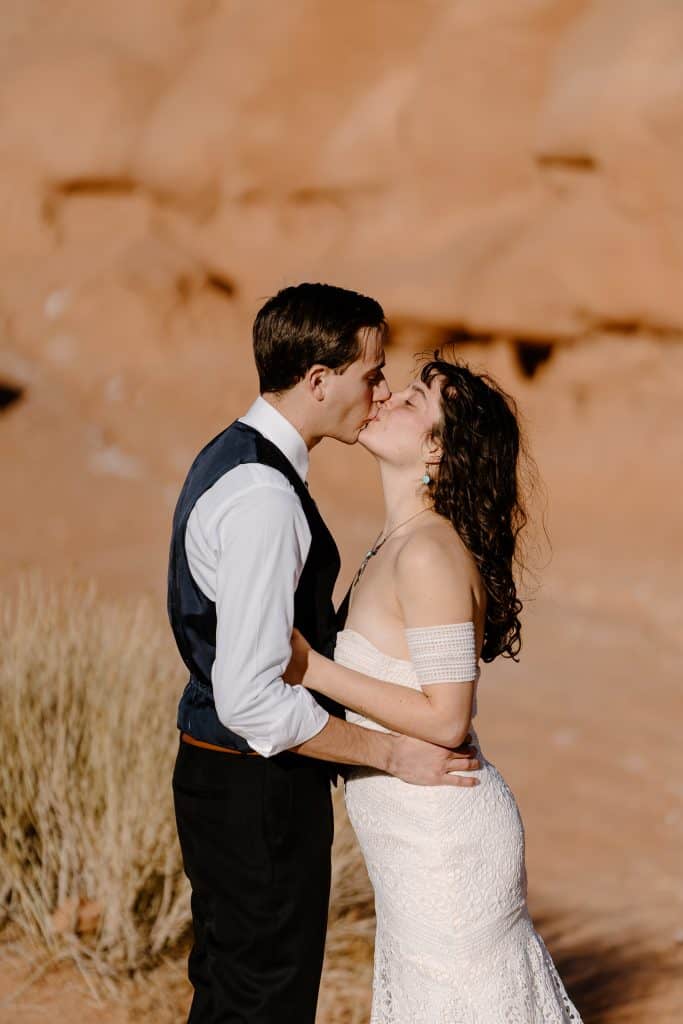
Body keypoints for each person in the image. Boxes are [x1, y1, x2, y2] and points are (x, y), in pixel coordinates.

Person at [168, 285, 480, 1024]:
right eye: (371, 375)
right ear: (318, 381)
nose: (378, 393)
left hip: (228, 785)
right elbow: (250, 697)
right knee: (262, 1004)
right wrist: (389, 755)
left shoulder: (234, 460)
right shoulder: (263, 499)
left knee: (230, 994)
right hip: (258, 795)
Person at [287, 355, 583, 1022]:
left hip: (444, 851)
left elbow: (448, 718)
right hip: (416, 841)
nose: (386, 397)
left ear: (437, 451)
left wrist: (311, 669)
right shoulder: (400, 543)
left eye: (414, 400)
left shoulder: (426, 552)